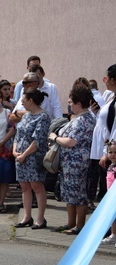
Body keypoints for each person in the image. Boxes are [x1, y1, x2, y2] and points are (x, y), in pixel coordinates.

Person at [50, 86, 96, 235]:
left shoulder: (83, 120)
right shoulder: (80, 118)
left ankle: (79, 226)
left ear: (79, 103)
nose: (69, 105)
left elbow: (71, 141)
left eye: (71, 102)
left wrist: (55, 138)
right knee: (70, 194)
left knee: (78, 195)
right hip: (69, 164)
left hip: (77, 164)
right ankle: (71, 223)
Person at [13, 88, 51, 229]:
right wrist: (15, 151)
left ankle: (40, 219)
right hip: (20, 156)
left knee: (36, 186)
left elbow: (38, 141)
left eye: (23, 101)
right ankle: (26, 217)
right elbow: (18, 134)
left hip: (33, 157)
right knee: (24, 186)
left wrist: (24, 155)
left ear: (31, 100)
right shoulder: (26, 115)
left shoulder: (43, 117)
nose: (22, 103)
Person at [89, 65, 116, 210]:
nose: (104, 81)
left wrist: (108, 153)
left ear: (112, 80)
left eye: (106, 78)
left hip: (110, 151)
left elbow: (114, 128)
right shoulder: (111, 96)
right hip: (104, 148)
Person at [100, 141, 116, 246]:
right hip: (111, 197)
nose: (113, 154)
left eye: (115, 152)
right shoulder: (110, 166)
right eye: (110, 152)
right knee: (113, 217)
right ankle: (114, 235)